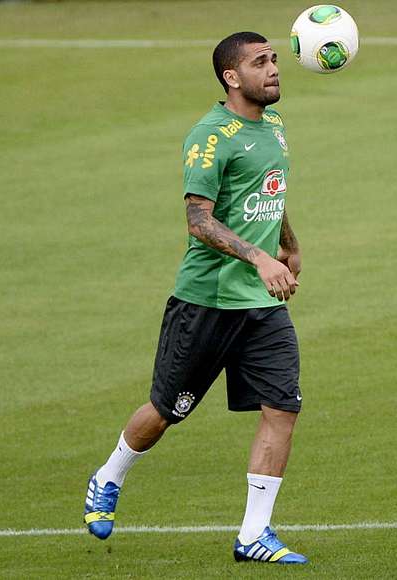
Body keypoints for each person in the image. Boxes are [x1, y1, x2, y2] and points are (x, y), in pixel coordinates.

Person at [83, 31, 308, 565]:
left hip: (261, 304)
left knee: (282, 407)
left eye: (275, 58)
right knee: (166, 411)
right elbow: (198, 220)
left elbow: (268, 192)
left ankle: (254, 534)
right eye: (261, 62)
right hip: (207, 301)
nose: (274, 68)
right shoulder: (210, 137)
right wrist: (260, 258)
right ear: (232, 78)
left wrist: (288, 246)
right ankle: (108, 476)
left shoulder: (273, 125)